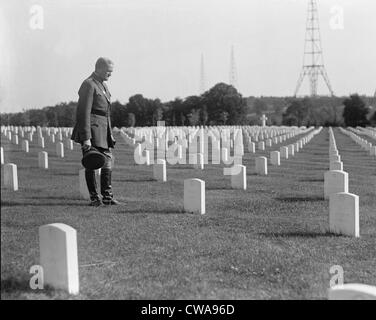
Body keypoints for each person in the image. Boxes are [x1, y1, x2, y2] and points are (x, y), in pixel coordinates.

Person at [71, 57, 120, 206]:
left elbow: (105, 113)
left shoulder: (103, 85)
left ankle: (107, 196)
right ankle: (94, 198)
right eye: (108, 71)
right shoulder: (88, 84)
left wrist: (109, 132)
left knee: (108, 161)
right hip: (92, 130)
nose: (110, 74)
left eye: (111, 72)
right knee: (91, 162)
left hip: (103, 130)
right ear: (98, 68)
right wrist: (86, 137)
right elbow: (83, 112)